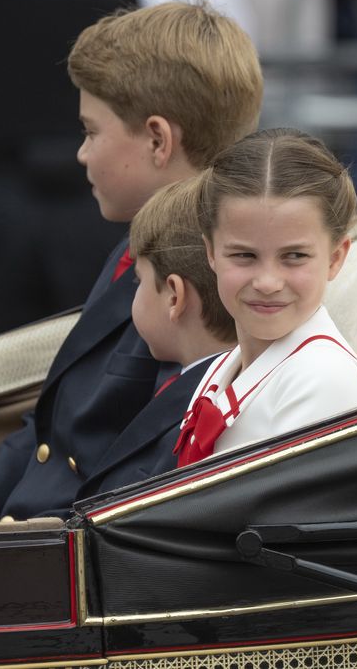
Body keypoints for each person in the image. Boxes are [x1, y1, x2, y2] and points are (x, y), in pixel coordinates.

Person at [0, 0, 263, 525]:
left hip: (69, 551)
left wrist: (45, 538)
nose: (81, 153)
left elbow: (158, 454)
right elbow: (53, 423)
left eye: (90, 131)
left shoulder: (201, 281)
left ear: (157, 140)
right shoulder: (131, 253)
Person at [173, 128, 357, 466]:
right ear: (210, 252)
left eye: (295, 256)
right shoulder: (224, 367)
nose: (268, 282)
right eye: (244, 256)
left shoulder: (323, 379)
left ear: (335, 257)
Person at [70, 178, 237, 502]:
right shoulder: (195, 384)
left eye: (138, 280)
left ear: (174, 296)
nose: (135, 291)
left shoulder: (202, 407)